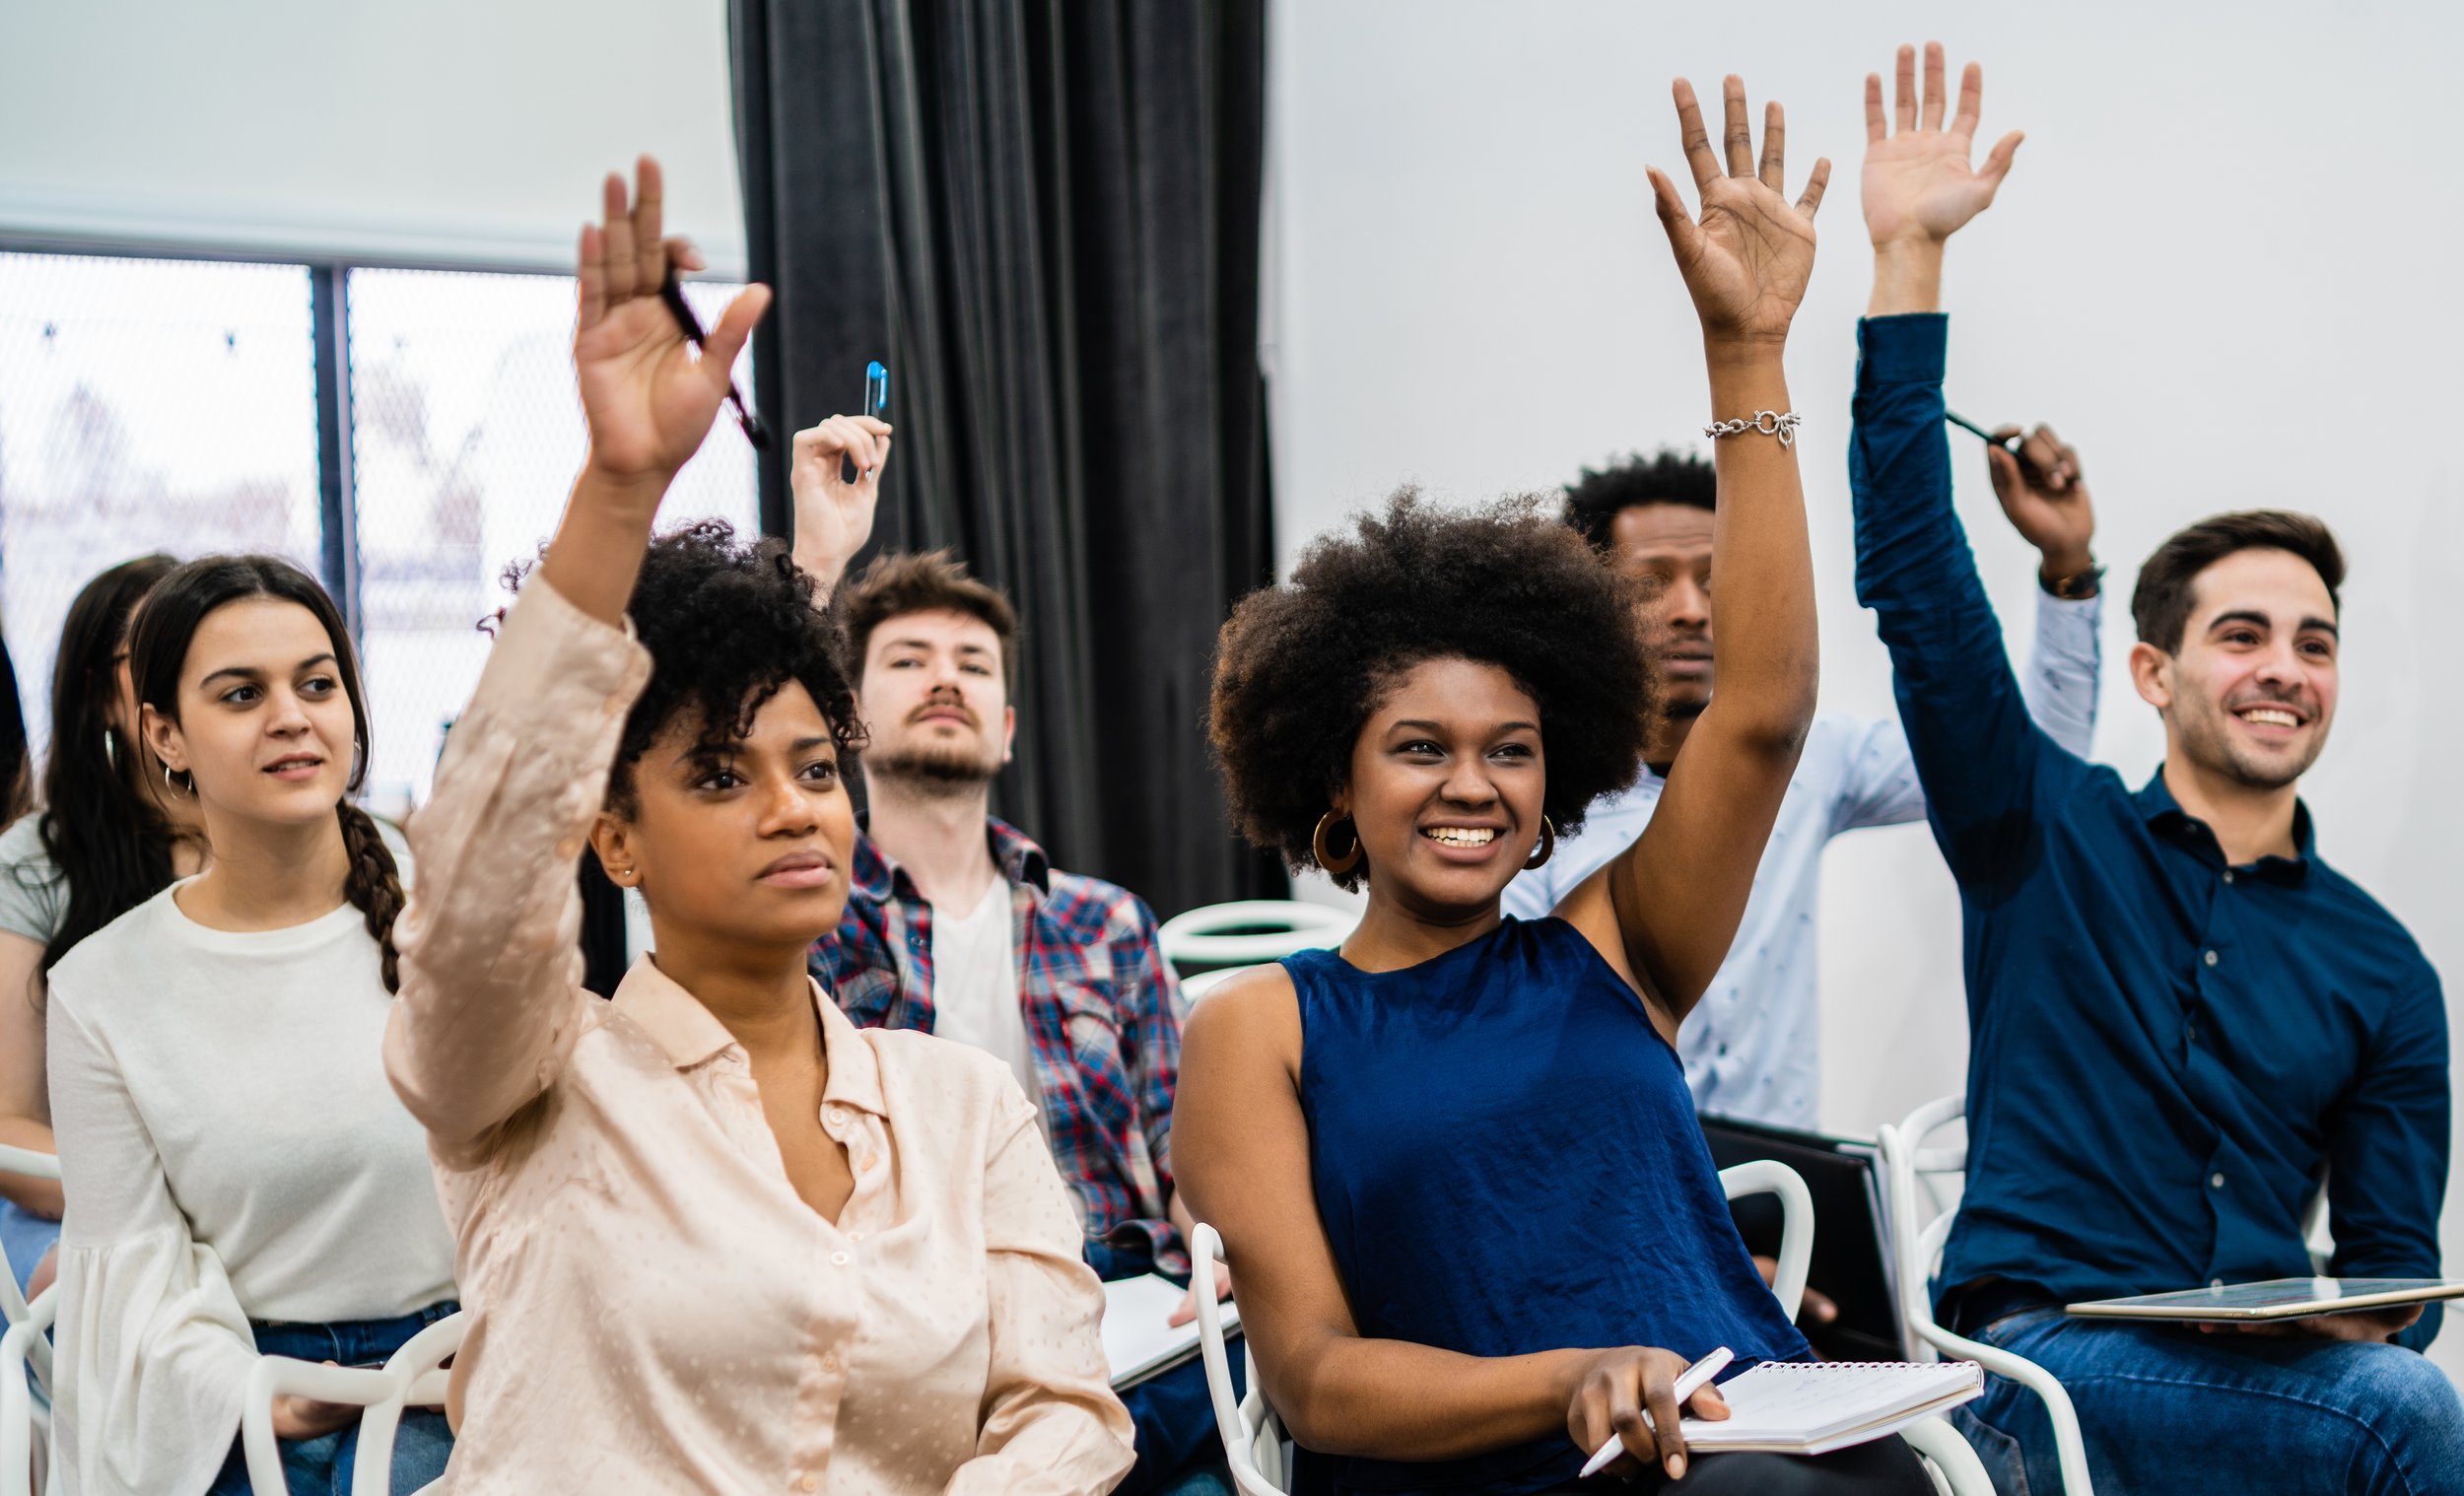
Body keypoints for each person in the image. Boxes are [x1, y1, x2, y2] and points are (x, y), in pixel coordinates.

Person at [1177, 77, 1932, 1495]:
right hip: (1507, 1469)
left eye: (1510, 748)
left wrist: (1748, 357)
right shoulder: (1258, 1027)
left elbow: (1762, 714)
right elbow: (1318, 1379)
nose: (1474, 785)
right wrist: (1576, 1379)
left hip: (1747, 1440)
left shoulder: (1612, 946)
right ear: (1331, 770)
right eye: (1421, 746)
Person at [383, 157, 1133, 1493]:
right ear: (613, 837)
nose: (793, 803)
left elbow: (1067, 1414)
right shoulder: (528, 1082)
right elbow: (482, 885)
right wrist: (619, 492)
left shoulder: (960, 1110)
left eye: (814, 767)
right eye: (723, 777)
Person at [1848, 42, 2461, 1496]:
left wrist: (2363, 1305)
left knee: (2396, 1392)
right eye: (2241, 633)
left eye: (2313, 642)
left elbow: (2394, 1275)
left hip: (2261, 1378)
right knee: (2404, 1424)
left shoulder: (2382, 966)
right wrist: (1908, 263)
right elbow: (1921, 589)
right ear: (2154, 672)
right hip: (2033, 1363)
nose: (2282, 668)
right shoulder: (2035, 830)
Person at [1503, 441, 2101, 1130]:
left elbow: (2025, 767)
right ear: (1587, 607)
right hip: (1606, 1175)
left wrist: (2068, 570)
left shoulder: (1811, 759)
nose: (1691, 609)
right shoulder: (1534, 786)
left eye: (1714, 576)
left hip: (1785, 1185)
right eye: (1650, 583)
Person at [811, 548, 1216, 1495]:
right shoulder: (812, 929)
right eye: (908, 659)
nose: (945, 676)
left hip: (1123, 1305)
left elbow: (1185, 1145)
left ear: (1006, 731)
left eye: (973, 664)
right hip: (919, 1330)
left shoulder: (1107, 922)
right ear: (850, 725)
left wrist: (1220, 1244)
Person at [46, 554, 449, 1495]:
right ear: (165, 734)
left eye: (317, 683)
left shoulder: (448, 910)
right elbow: (131, 1288)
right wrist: (270, 1399)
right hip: (250, 1396)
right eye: (240, 694)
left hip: (472, 1367)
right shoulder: (101, 987)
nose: (291, 716)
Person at [0, 555, 203, 1296]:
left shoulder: (279, 844)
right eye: (152, 653)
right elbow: (6, 1124)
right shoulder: (35, 862)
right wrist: (165, 1204)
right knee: (95, 1292)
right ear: (102, 699)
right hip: (74, 1208)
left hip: (249, 1201)